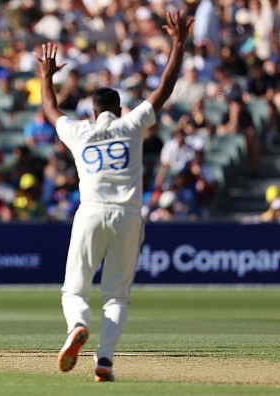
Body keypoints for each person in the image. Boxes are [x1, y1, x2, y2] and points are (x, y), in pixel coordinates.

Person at [35, 10, 193, 382]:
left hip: (89, 212)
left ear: (93, 111)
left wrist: (46, 77)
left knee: (73, 290)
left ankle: (77, 325)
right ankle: (103, 360)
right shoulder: (131, 124)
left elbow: (49, 108)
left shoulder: (80, 132)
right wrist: (179, 44)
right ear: (119, 109)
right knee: (117, 296)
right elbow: (165, 88)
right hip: (127, 215)